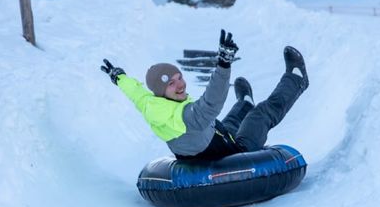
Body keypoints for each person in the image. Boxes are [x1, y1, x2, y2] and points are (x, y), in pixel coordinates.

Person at [100, 29, 308, 161]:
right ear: (162, 92)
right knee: (260, 115)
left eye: (179, 77)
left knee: (230, 121)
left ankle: (245, 102)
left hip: (215, 138)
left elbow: (137, 93)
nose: (180, 84)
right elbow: (212, 101)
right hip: (237, 152)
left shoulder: (151, 105)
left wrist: (119, 77)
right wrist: (223, 64)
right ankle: (297, 80)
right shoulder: (185, 117)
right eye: (171, 83)